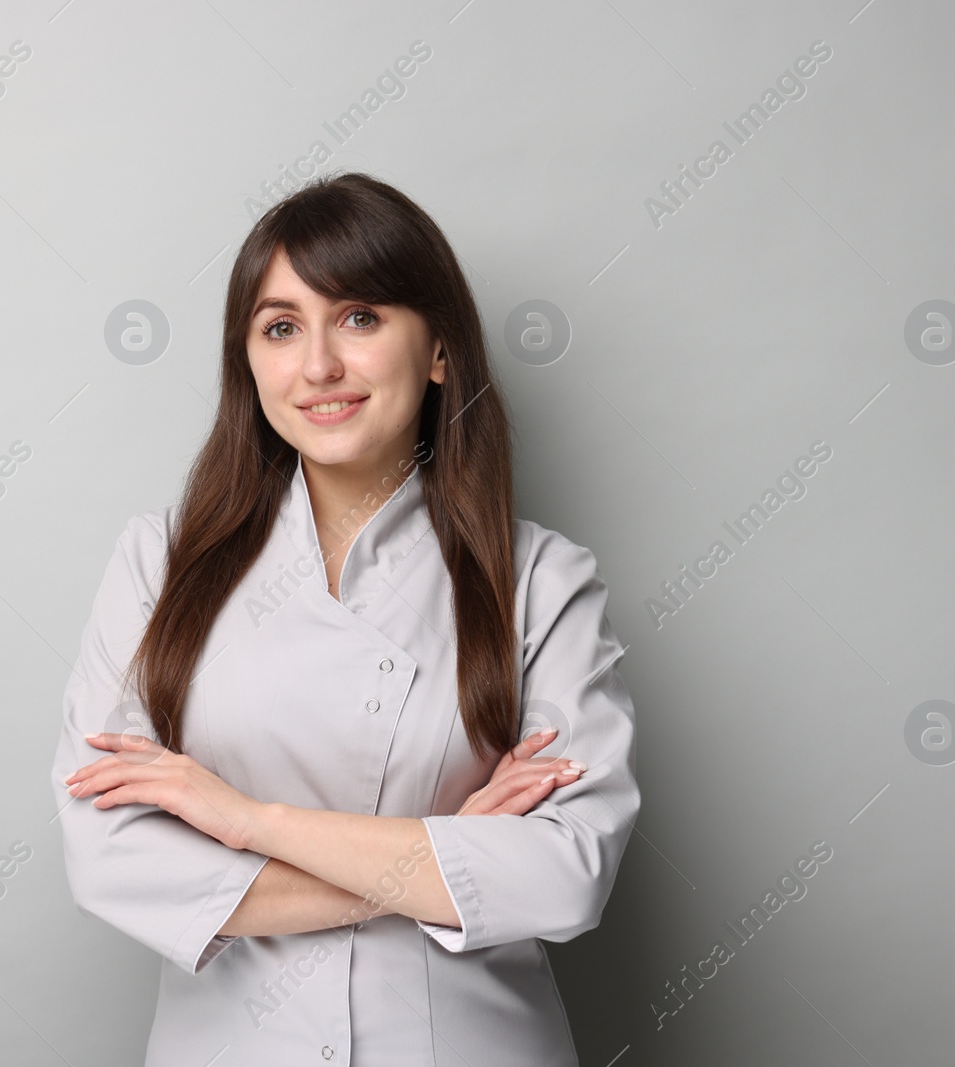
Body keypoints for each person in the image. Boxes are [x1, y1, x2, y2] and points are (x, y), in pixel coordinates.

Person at [49, 172, 639, 1066]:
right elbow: (110, 861)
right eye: (281, 328)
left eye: (359, 317)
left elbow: (564, 877)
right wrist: (447, 857)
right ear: (248, 362)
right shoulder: (158, 564)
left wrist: (250, 822)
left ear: (439, 348)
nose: (318, 366)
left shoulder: (541, 581)